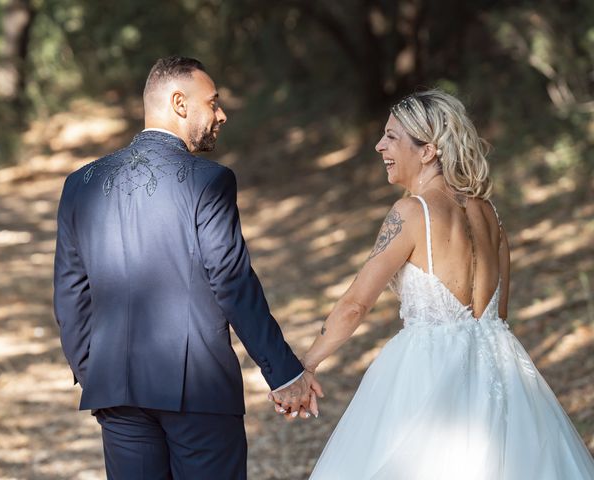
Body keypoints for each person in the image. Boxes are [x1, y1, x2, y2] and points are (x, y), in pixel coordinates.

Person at [274, 90, 594, 478]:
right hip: (501, 366)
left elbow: (355, 305)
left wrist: (305, 366)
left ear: (427, 151)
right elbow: (499, 312)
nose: (379, 146)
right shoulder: (489, 212)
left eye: (391, 137)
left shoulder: (412, 213)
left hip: (427, 370)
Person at [53, 55, 322, 480]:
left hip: (116, 391)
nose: (221, 114)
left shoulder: (79, 184)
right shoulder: (208, 181)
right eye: (212, 102)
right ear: (180, 103)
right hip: (198, 392)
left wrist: (96, 373)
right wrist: (285, 373)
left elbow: (70, 295)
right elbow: (233, 283)